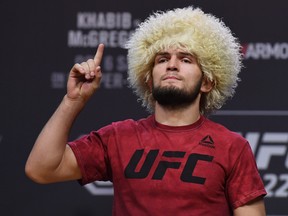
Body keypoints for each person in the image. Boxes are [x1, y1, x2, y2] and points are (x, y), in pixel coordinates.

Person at [25, 6, 267, 216]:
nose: (171, 64)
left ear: (207, 81)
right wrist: (73, 100)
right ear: (149, 80)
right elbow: (42, 169)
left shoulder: (232, 148)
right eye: (162, 59)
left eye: (185, 59)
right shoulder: (118, 138)